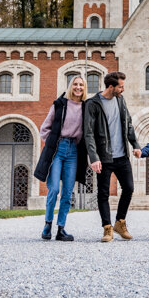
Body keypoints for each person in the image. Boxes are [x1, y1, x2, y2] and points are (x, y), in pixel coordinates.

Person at [83, 71, 141, 242]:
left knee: (129, 188)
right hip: (104, 157)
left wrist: (135, 145)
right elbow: (88, 133)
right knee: (103, 193)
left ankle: (120, 223)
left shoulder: (120, 100)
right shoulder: (93, 104)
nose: (123, 90)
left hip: (122, 155)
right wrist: (94, 157)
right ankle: (107, 228)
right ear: (111, 87)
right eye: (120, 87)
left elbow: (128, 124)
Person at [33, 75, 87, 241]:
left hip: (74, 151)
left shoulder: (87, 107)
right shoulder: (60, 104)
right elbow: (44, 128)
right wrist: (52, 143)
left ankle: (61, 229)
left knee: (67, 193)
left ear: (84, 88)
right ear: (71, 86)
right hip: (58, 148)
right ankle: (48, 224)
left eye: (81, 85)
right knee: (54, 188)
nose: (78, 87)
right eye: (75, 84)